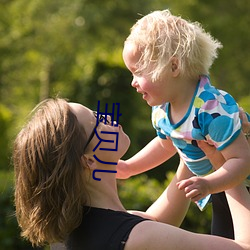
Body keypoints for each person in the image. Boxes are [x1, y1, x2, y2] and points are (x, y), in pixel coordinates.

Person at [13, 98, 250, 250]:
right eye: (97, 120)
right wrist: (226, 165)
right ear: (89, 160)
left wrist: (190, 137)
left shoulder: (73, 233)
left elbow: (156, 221)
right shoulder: (137, 238)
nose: (107, 117)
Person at [119, 9, 250, 238]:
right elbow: (166, 145)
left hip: (239, 185)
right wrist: (130, 167)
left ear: (173, 67)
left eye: (138, 72)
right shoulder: (162, 110)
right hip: (220, 188)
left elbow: (242, 160)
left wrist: (209, 184)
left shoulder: (211, 109)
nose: (133, 82)